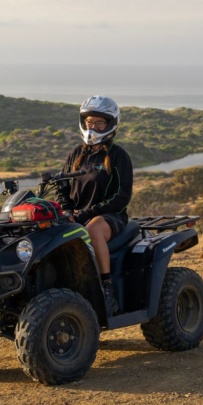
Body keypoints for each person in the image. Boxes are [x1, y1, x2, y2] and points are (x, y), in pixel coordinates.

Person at [57, 95, 133, 315]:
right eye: (90, 122)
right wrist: (68, 211)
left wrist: (86, 214)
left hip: (111, 216)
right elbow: (62, 186)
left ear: (111, 124)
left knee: (93, 229)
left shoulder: (118, 156)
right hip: (76, 215)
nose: (94, 127)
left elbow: (122, 196)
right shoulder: (75, 154)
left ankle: (105, 288)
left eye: (100, 123)